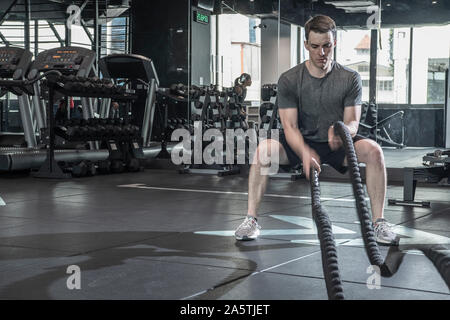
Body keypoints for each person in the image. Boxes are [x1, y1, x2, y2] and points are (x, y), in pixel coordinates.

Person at [234, 15, 398, 246]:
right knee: (263, 151)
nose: (322, 52)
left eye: (327, 46)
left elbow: (352, 122)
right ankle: (251, 219)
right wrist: (304, 152)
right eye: (315, 46)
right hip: (300, 140)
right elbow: (289, 126)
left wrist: (341, 132)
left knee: (374, 151)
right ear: (306, 45)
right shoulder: (290, 79)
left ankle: (379, 222)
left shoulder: (350, 78)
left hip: (337, 142)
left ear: (334, 43)